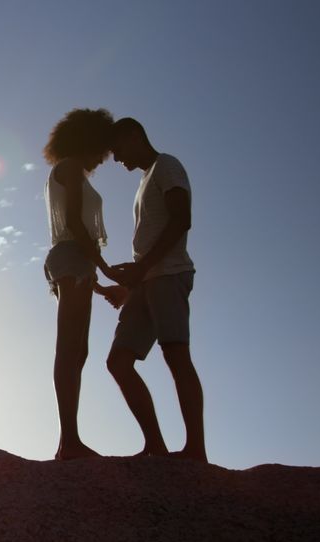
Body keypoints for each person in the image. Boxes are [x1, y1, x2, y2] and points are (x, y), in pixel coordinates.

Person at [105, 117, 207, 462]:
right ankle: (156, 447)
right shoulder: (145, 179)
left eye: (117, 149)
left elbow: (181, 219)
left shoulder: (167, 166)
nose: (116, 158)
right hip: (146, 281)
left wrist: (142, 268)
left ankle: (196, 450)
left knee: (176, 354)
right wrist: (129, 285)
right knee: (118, 362)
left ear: (134, 136)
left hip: (169, 274)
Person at [41, 108, 123, 460]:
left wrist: (99, 284)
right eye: (102, 149)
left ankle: (68, 441)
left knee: (79, 351)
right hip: (72, 258)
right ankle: (69, 442)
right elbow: (74, 222)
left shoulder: (74, 171)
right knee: (69, 348)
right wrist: (105, 268)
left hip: (79, 262)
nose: (103, 158)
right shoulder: (71, 167)